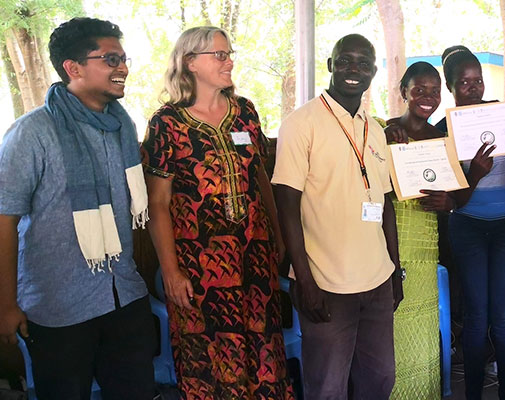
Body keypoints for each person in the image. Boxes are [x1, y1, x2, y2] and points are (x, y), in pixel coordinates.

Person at [0, 17, 155, 399]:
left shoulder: (122, 126)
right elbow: (4, 220)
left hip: (125, 293)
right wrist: (6, 304)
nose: (123, 68)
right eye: (111, 59)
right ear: (74, 68)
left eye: (123, 58)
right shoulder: (32, 132)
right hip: (59, 307)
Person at [141, 26, 294, 399]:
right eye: (219, 55)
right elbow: (157, 204)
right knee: (211, 360)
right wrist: (172, 273)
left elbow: (260, 179)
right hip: (199, 265)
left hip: (254, 257)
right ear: (190, 62)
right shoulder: (167, 123)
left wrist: (278, 242)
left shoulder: (245, 112)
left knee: (264, 353)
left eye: (229, 54)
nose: (228, 62)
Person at [272, 34, 403, 400]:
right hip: (326, 284)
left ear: (374, 72)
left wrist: (395, 270)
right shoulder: (302, 123)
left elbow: (386, 204)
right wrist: (305, 279)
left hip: (377, 280)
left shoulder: (374, 128)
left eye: (363, 63)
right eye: (345, 60)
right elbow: (286, 203)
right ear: (330, 64)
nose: (353, 70)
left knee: (379, 381)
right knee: (327, 388)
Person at [434, 45, 505, 400]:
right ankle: (472, 394)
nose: (474, 87)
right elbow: (454, 201)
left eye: (478, 80)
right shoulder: (443, 129)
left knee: (504, 318)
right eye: (464, 82)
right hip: (467, 224)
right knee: (475, 317)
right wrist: (475, 174)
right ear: (450, 86)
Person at [381, 61, 453, 399]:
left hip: (427, 240)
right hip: (391, 237)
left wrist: (448, 202)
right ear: (403, 92)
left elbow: (454, 195)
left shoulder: (442, 139)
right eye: (419, 90)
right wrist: (384, 145)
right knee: (392, 323)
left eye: (434, 91)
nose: (428, 97)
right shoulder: (384, 131)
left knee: (423, 327)